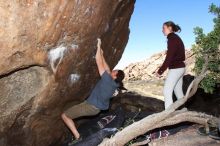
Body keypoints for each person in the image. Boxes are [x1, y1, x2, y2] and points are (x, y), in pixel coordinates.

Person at [61, 38, 125, 142]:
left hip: (89, 107)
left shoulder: (107, 80)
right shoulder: (114, 84)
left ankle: (77, 137)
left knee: (65, 116)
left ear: (115, 75)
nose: (112, 70)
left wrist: (98, 46)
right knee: (72, 112)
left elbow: (98, 62)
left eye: (115, 71)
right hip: (95, 109)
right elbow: (108, 69)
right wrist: (102, 54)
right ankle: (77, 136)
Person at [156, 21, 186, 109]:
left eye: (163, 28)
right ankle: (184, 111)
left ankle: (168, 115)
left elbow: (169, 57)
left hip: (176, 69)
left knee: (166, 91)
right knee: (178, 92)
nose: (162, 30)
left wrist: (160, 71)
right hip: (180, 68)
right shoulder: (175, 38)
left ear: (170, 28)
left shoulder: (172, 39)